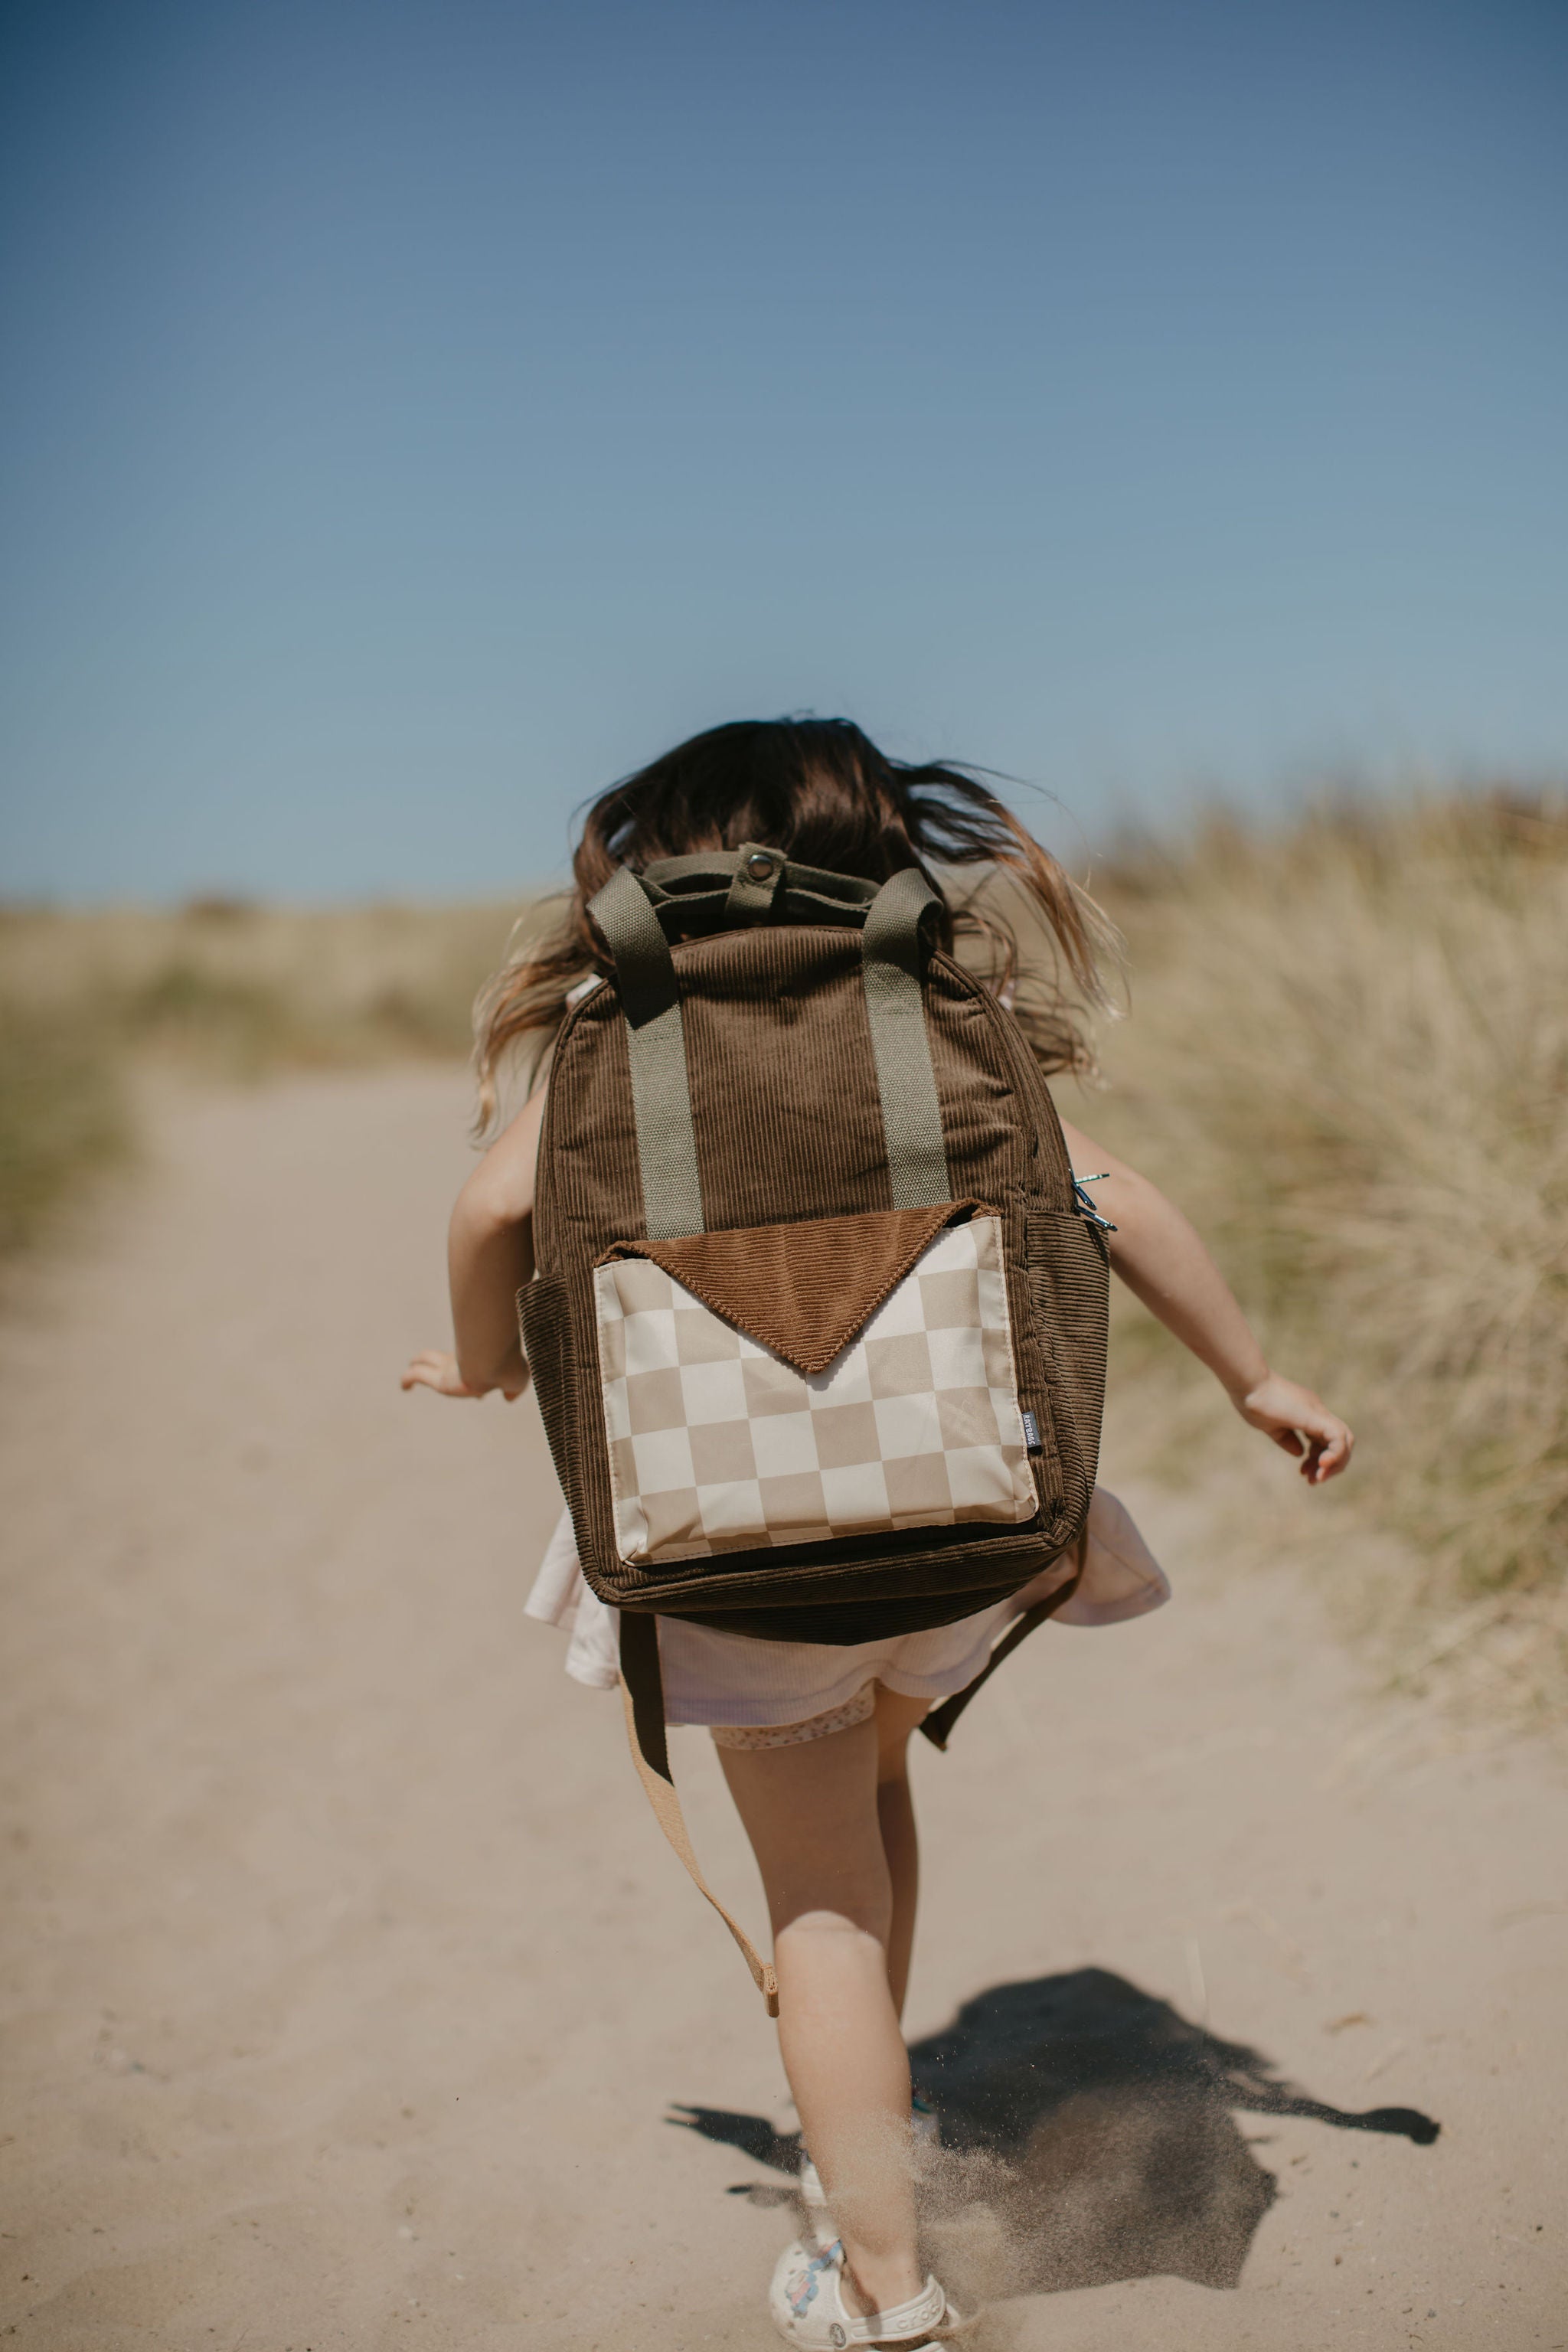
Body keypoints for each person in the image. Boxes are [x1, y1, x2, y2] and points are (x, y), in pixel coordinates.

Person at [403, 718, 1353, 2349]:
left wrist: (487, 1367)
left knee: (817, 1909)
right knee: (880, 1778)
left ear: (662, 865)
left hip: (737, 1555)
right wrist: (1253, 1375)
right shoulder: (934, 1008)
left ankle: (882, 2283)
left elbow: (490, 1211)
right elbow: (1110, 1197)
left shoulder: (617, 1035)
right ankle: (878, 2138)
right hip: (965, 1529)